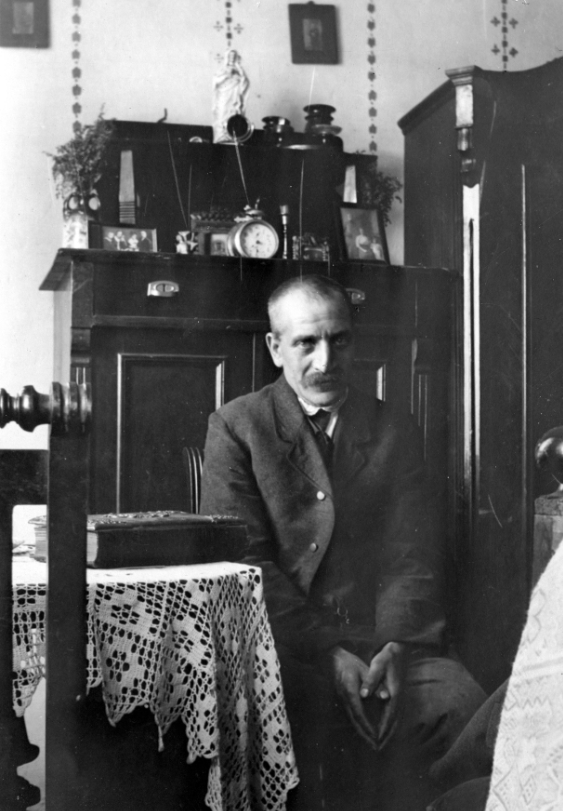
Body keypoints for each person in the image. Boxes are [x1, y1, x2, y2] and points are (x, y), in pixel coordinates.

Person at [200, 275, 486, 811]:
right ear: (275, 347)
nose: (326, 360)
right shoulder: (237, 427)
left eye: (340, 339)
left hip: (387, 641)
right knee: (292, 724)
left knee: (464, 708)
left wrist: (395, 646)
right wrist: (329, 653)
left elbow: (412, 555)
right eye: (307, 342)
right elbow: (245, 561)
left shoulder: (394, 427)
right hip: (286, 648)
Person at [212, 49, 250, 143]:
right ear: (227, 57)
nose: (232, 58)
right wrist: (226, 76)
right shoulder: (221, 69)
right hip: (224, 96)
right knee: (222, 114)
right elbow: (216, 82)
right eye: (230, 56)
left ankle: (232, 137)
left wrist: (239, 72)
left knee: (233, 115)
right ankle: (221, 137)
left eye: (234, 56)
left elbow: (245, 82)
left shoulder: (239, 69)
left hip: (234, 96)